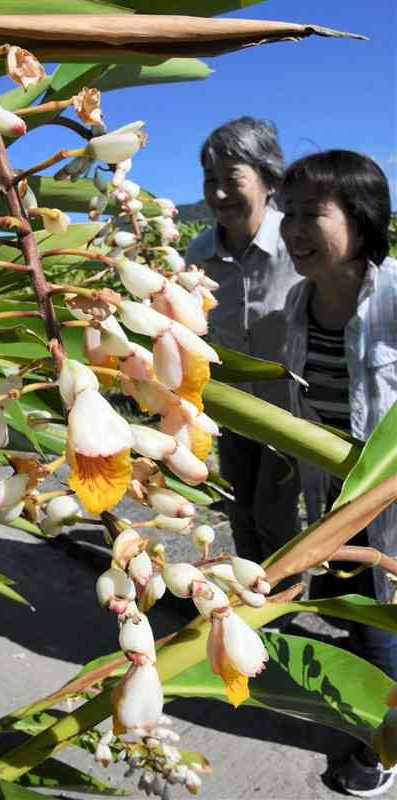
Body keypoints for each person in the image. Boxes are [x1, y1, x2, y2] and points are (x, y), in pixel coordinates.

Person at [281, 149, 397, 797]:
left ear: (361, 218)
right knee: (359, 619)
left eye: (312, 214)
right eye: (287, 212)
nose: (294, 228)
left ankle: (382, 748)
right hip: (331, 507)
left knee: (383, 629)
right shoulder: (300, 301)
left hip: (390, 512)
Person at [186, 116, 302, 573]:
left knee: (276, 514)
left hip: (292, 413)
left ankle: (282, 600)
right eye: (209, 180)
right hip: (231, 409)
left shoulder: (298, 241)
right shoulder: (200, 253)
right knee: (239, 509)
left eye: (232, 178)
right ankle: (255, 604)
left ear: (269, 179)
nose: (218, 194)